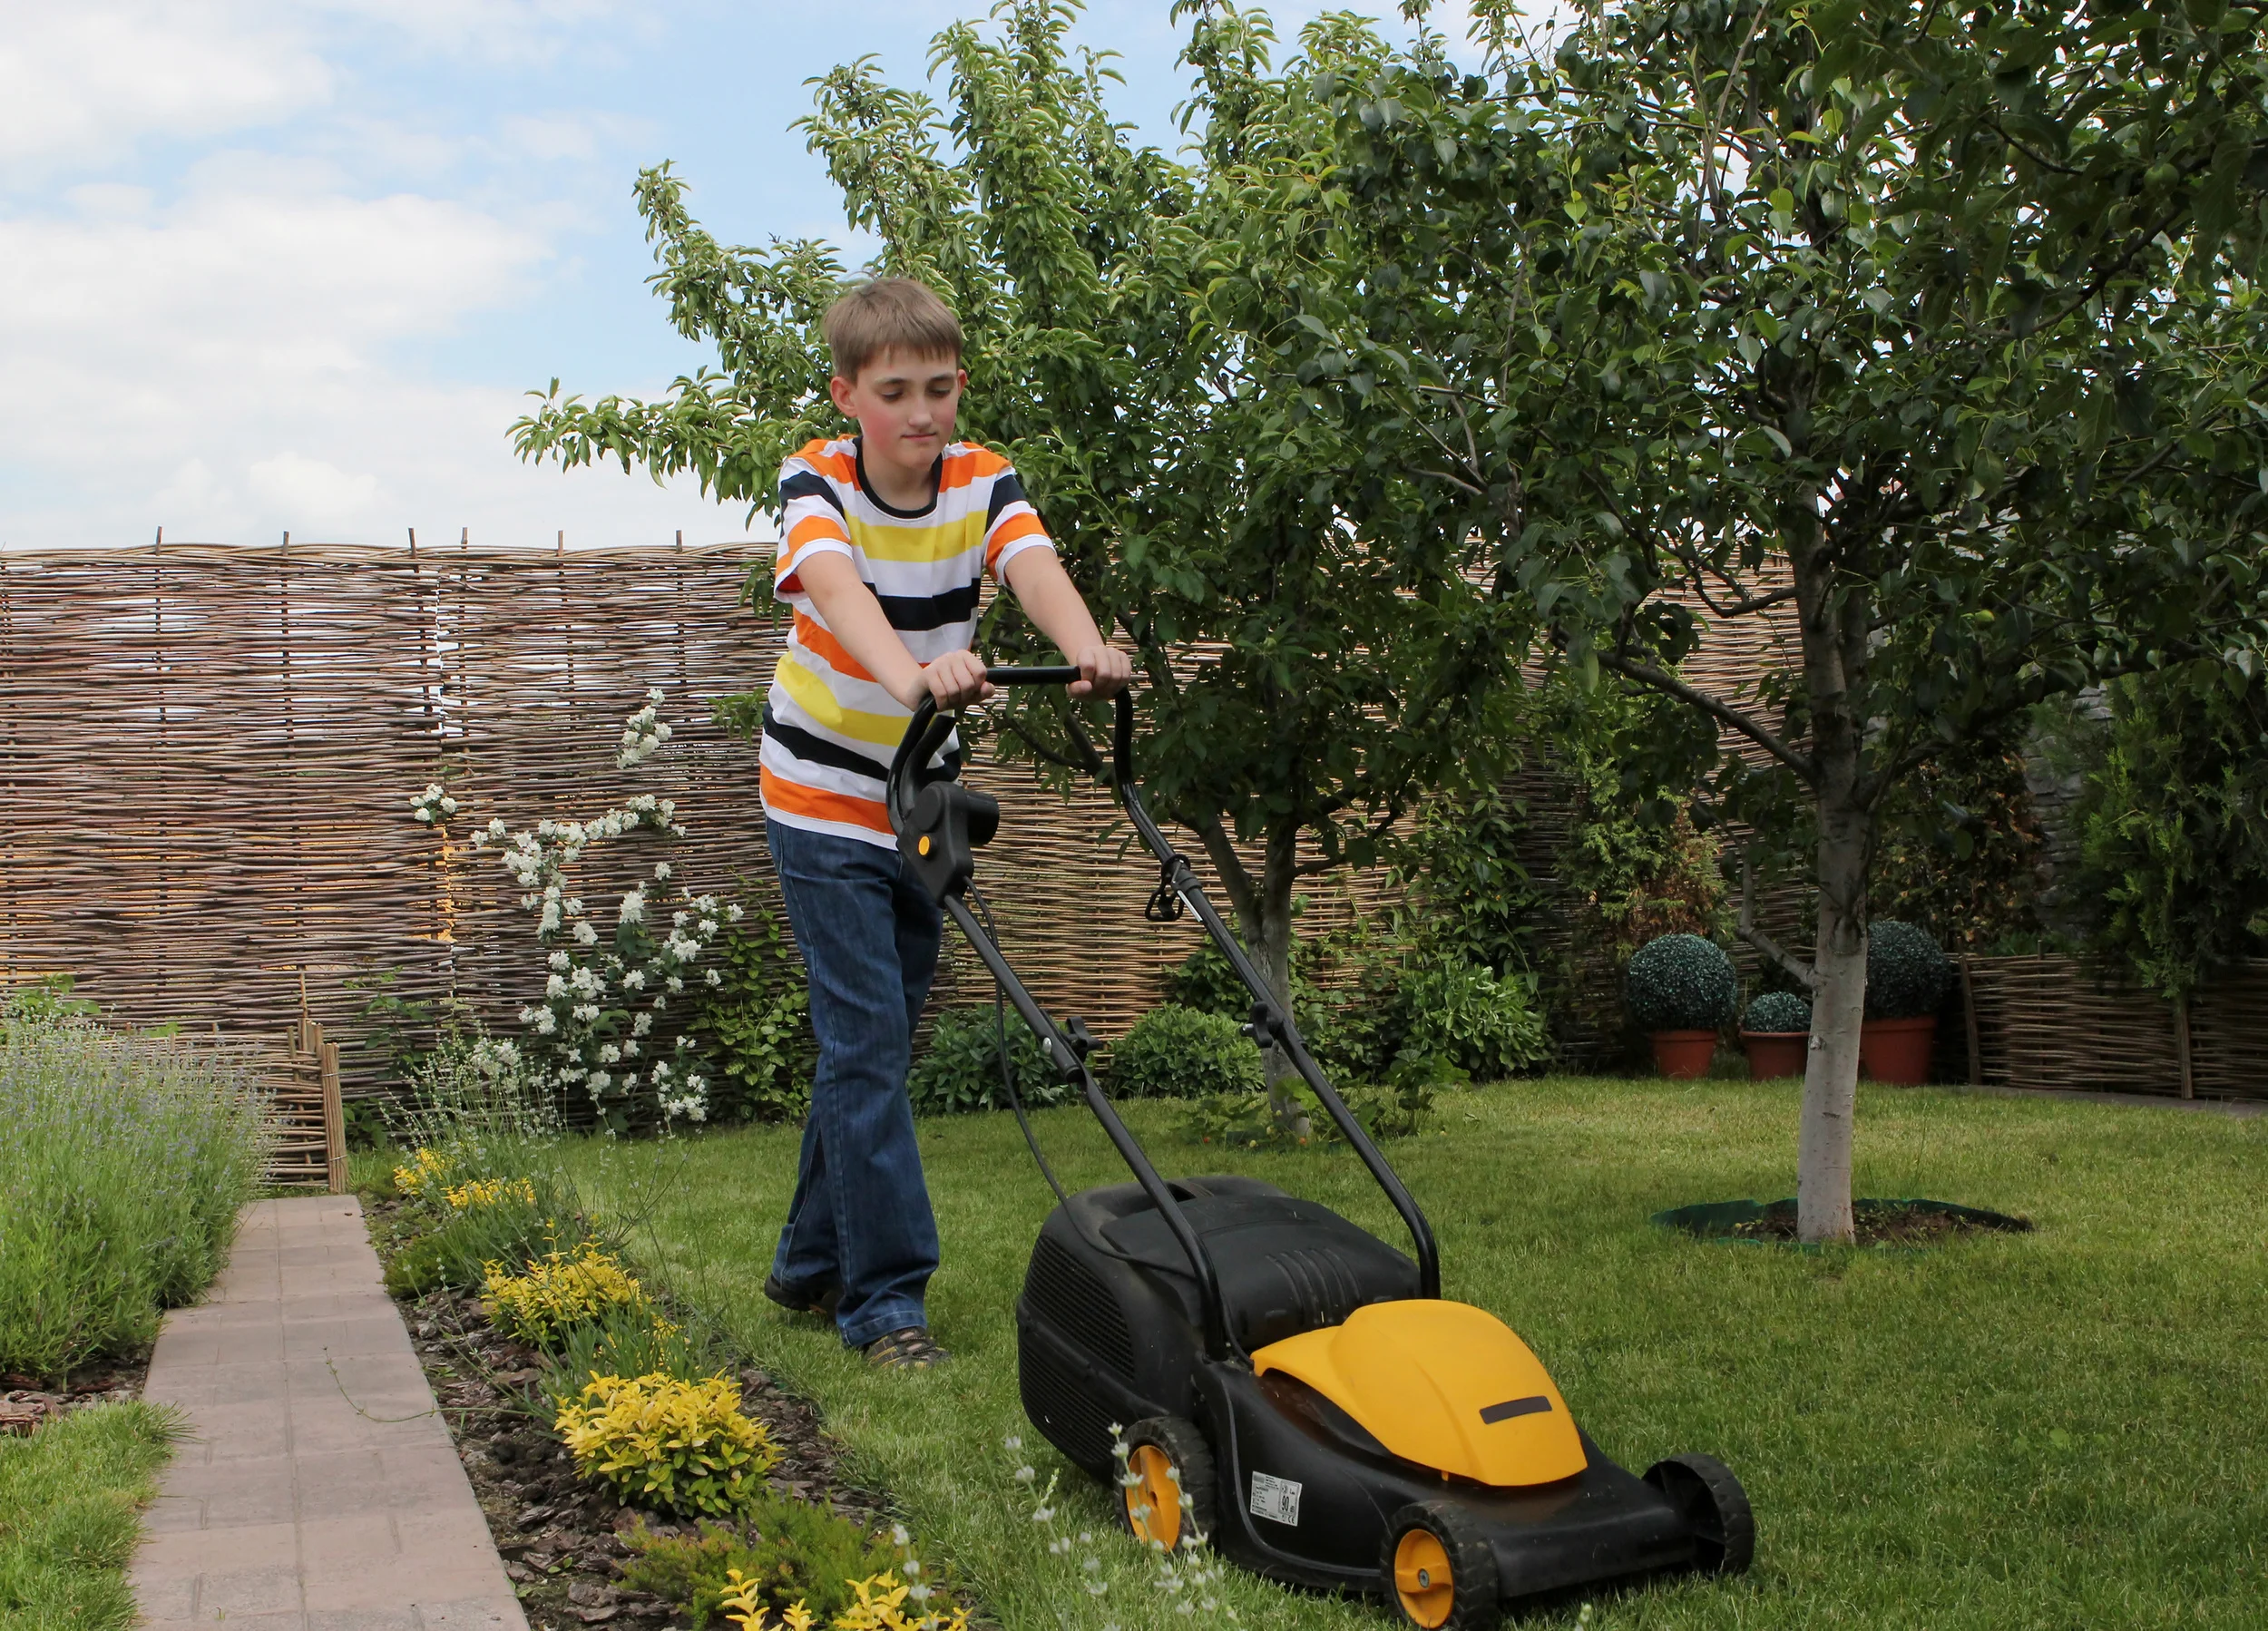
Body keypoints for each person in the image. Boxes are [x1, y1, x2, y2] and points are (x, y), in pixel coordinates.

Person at [758, 278, 1132, 1370]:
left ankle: (801, 1259)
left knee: (873, 1043)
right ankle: (884, 1304)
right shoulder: (816, 479)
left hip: (921, 794)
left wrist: (1088, 646)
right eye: (894, 392)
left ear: (959, 385)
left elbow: (1033, 566)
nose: (922, 413)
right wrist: (915, 674)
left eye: (938, 389)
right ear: (848, 396)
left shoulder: (983, 480)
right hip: (820, 798)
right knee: (866, 1040)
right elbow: (836, 592)